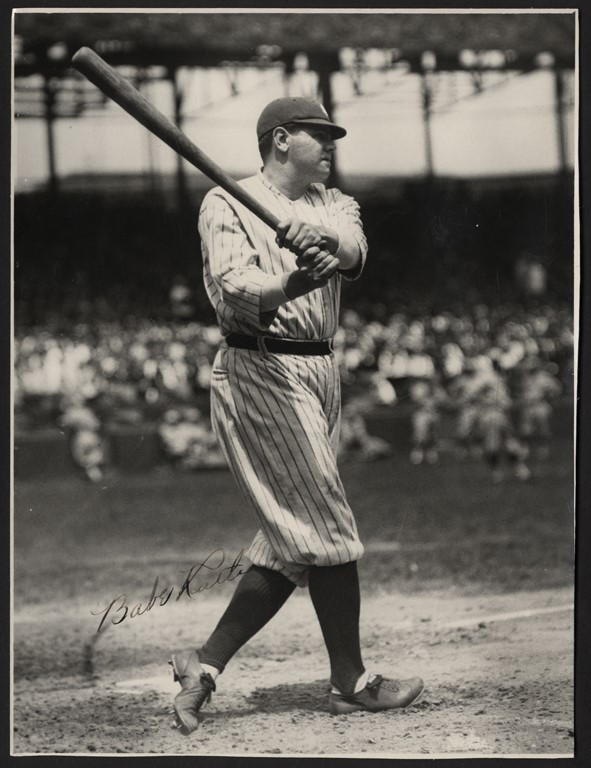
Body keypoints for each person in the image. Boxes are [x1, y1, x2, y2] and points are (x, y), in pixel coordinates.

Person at [169, 96, 424, 735]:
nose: (331, 143)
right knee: (327, 524)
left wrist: (324, 242)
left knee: (293, 543)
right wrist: (292, 283)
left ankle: (202, 667)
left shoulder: (333, 202)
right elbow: (233, 292)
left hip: (319, 369)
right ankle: (351, 682)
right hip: (259, 367)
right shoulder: (224, 201)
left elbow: (357, 250)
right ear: (281, 140)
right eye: (319, 134)